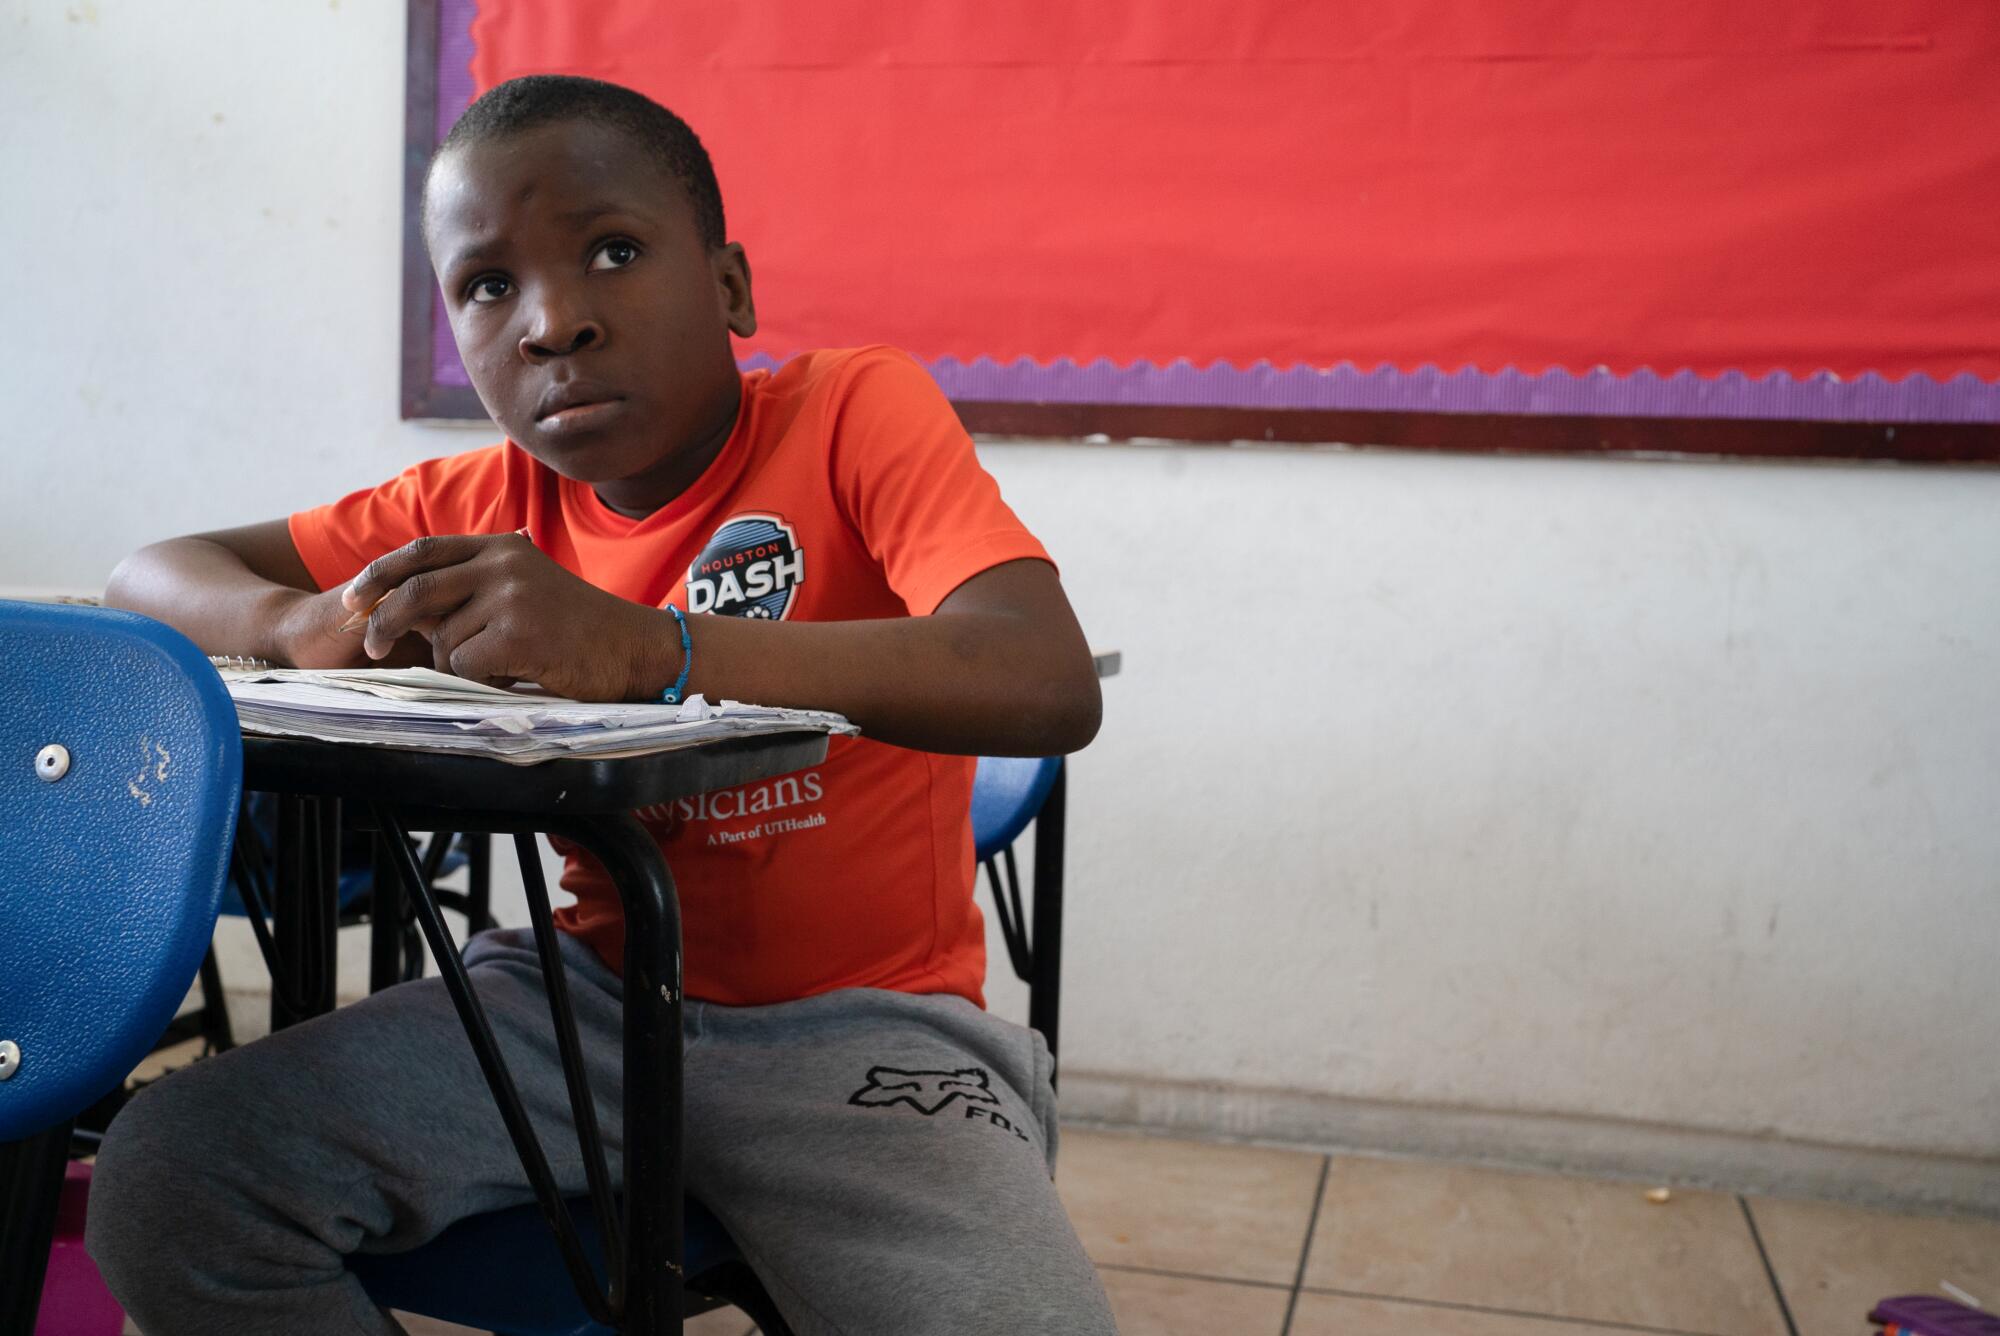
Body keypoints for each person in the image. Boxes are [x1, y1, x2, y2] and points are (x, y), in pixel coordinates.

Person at [90, 74, 1117, 1336]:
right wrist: (296, 625)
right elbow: (151, 570)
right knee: (173, 1177)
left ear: (730, 286)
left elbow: (1041, 678)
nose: (552, 323)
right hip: (585, 1007)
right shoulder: (480, 501)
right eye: (486, 285)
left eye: (613, 252)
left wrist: (656, 648)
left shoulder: (850, 413)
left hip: (862, 1035)